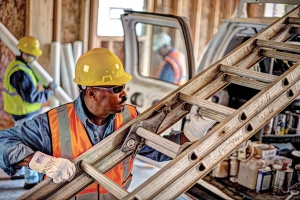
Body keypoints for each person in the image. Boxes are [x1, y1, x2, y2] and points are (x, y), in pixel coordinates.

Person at [0, 48, 213, 199]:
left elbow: (159, 150)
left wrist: (193, 132)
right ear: (92, 93)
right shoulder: (53, 123)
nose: (124, 94)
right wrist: (41, 162)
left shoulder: (130, 117)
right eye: (116, 88)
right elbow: (3, 142)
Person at [3, 36, 57, 189]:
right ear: (25, 54)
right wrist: (50, 92)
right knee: (30, 146)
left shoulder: (19, 65)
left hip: (20, 113)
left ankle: (19, 172)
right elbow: (32, 97)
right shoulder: (20, 73)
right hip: (24, 114)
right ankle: (31, 180)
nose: (35, 58)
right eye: (33, 55)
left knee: (21, 143)